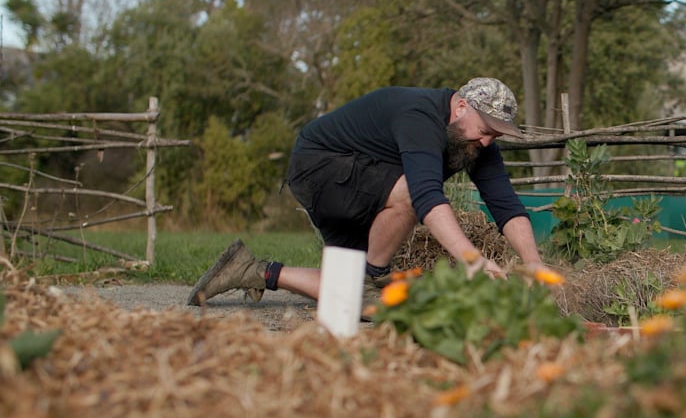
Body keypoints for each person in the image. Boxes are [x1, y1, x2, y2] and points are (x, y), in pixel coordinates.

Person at [187, 77, 549, 306]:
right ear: (460, 107)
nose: (487, 141)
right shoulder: (420, 116)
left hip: (364, 185)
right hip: (322, 169)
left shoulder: (476, 143)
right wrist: (472, 260)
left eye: (496, 135)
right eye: (485, 129)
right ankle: (375, 273)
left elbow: (506, 205)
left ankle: (252, 270)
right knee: (411, 192)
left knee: (351, 302)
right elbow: (422, 196)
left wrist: (533, 264)